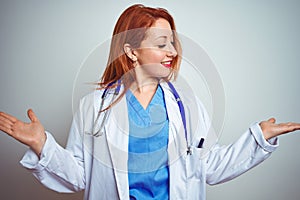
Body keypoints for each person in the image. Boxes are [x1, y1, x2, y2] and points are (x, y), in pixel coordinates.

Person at [0, 4, 299, 200]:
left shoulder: (188, 105)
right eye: (160, 44)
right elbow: (79, 175)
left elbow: (208, 168)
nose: (172, 51)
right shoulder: (94, 107)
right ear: (131, 51)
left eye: (172, 42)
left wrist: (257, 138)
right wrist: (43, 145)